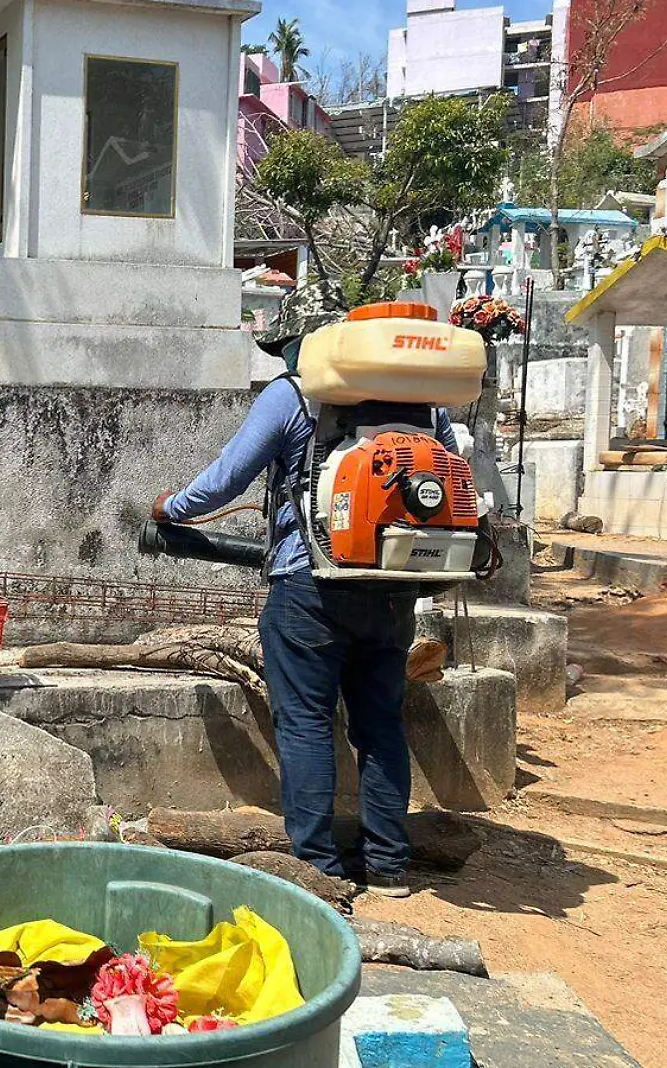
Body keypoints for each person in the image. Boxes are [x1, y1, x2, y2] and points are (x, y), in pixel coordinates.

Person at [151, 343, 458, 898]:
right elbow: (452, 490)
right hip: (394, 588)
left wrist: (171, 508)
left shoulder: (293, 395)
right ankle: (389, 866)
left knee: (307, 724)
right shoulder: (427, 406)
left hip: (309, 585)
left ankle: (318, 871)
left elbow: (227, 480)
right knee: (381, 725)